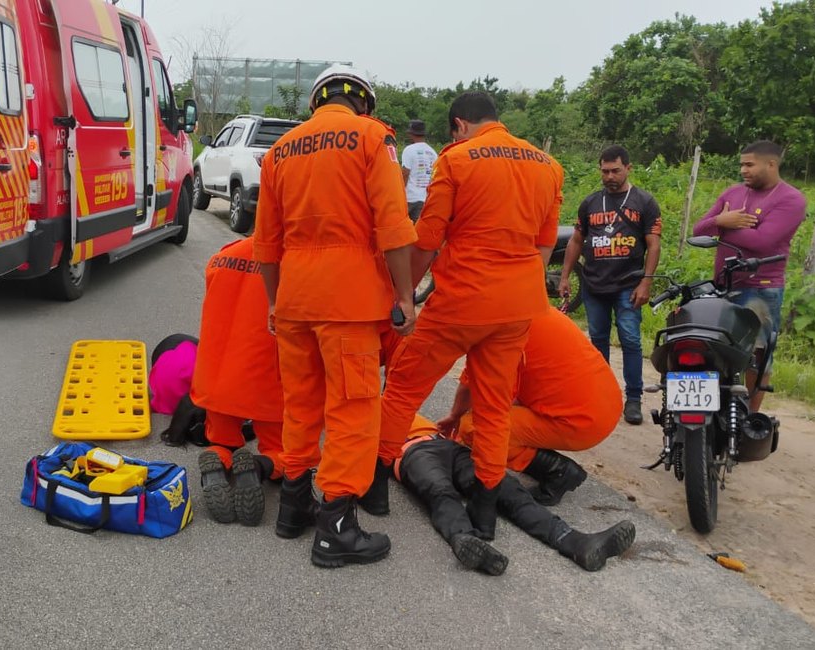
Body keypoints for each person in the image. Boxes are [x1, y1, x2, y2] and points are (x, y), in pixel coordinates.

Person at [375, 91, 563, 542]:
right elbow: (544, 245)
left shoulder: (457, 160)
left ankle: (373, 487)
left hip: (462, 300)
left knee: (402, 389)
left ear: (459, 124)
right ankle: (484, 511)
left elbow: (428, 238)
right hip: (518, 304)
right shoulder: (547, 165)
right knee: (494, 405)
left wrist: (406, 297)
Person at [253, 64, 418, 568]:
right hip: (348, 302)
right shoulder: (373, 137)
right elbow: (393, 226)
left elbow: (266, 243)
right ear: (362, 102)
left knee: (300, 404)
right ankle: (337, 528)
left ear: (315, 102)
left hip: (297, 298)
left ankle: (294, 508)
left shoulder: (280, 149)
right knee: (352, 407)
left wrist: (275, 301)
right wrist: (405, 297)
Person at [395, 415, 636, 576]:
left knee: (506, 487)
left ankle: (576, 541)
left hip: (449, 446)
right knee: (440, 492)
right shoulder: (365, 418)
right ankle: (467, 541)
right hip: (410, 453)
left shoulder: (401, 400)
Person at [435, 308, 622, 506]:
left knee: (474, 427)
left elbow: (472, 385)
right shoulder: (530, 307)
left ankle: (557, 470)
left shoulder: (496, 325)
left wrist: (455, 417)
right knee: (498, 411)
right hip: (606, 403)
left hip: (584, 421)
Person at [692, 140, 807, 413]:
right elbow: (699, 229)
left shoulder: (791, 199)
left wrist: (723, 226)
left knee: (756, 355)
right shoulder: (732, 192)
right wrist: (721, 221)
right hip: (723, 285)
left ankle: (749, 418)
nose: (743, 169)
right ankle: (718, 413)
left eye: (749, 164)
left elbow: (764, 242)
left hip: (760, 289)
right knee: (716, 349)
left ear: (771, 164)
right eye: (742, 164)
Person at [559, 145, 662, 426]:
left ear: (628, 168)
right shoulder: (590, 203)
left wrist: (646, 283)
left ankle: (633, 398)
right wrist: (566, 276)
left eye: (615, 170)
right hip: (594, 285)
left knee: (629, 340)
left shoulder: (644, 202)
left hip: (628, 285)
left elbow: (653, 245)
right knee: (598, 340)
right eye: (605, 171)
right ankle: (602, 395)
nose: (609, 176)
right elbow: (577, 241)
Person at [189, 237, 284, 527]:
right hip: (265, 383)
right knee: (283, 451)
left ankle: (219, 458)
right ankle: (257, 467)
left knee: (221, 438)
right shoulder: (290, 262)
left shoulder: (222, 256)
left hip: (214, 379)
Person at [401, 119, 438, 222]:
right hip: (425, 199)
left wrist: (400, 193)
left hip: (409, 198)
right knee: (418, 231)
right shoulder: (432, 152)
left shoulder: (409, 150)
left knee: (404, 231)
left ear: (411, 134)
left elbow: (405, 173)